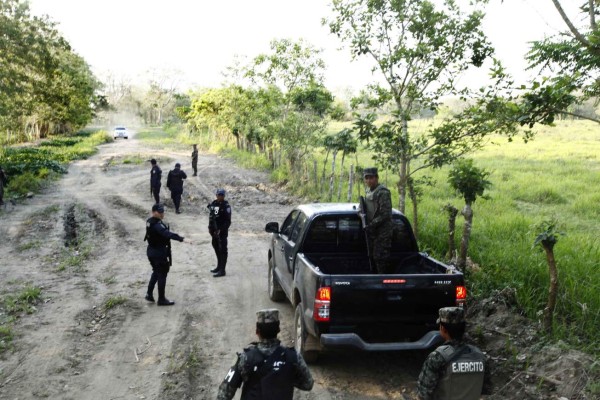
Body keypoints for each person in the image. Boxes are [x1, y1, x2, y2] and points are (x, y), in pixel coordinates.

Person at [216, 309, 314, 400]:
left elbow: (224, 394)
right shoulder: (293, 357)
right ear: (278, 329)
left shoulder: (245, 358)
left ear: (257, 331)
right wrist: (285, 378)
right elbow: (308, 384)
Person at [417, 307, 492, 400]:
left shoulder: (437, 357)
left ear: (443, 329)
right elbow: (486, 391)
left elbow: (423, 394)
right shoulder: (480, 356)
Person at [144, 203, 190, 306]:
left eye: (162, 212)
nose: (162, 214)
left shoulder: (149, 222)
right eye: (159, 212)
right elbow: (167, 234)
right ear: (153, 212)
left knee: (156, 272)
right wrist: (182, 239)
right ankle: (161, 299)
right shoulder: (157, 225)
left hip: (151, 251)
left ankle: (149, 294)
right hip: (158, 253)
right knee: (162, 275)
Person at [362, 167, 393, 274]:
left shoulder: (382, 192)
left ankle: (383, 282)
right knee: (372, 256)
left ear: (376, 178)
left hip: (382, 231)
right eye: (366, 178)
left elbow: (386, 214)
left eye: (371, 178)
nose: (369, 181)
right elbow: (365, 207)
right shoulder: (369, 191)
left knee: (380, 258)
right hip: (372, 230)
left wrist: (371, 224)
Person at [207, 188, 231, 277]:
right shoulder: (214, 204)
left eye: (222, 195)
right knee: (216, 247)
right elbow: (212, 217)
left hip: (222, 232)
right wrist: (210, 227)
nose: (220, 197)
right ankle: (219, 266)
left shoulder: (226, 206)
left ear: (224, 196)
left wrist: (221, 229)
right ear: (216, 195)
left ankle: (222, 270)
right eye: (219, 195)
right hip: (214, 231)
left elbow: (228, 221)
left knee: (223, 250)